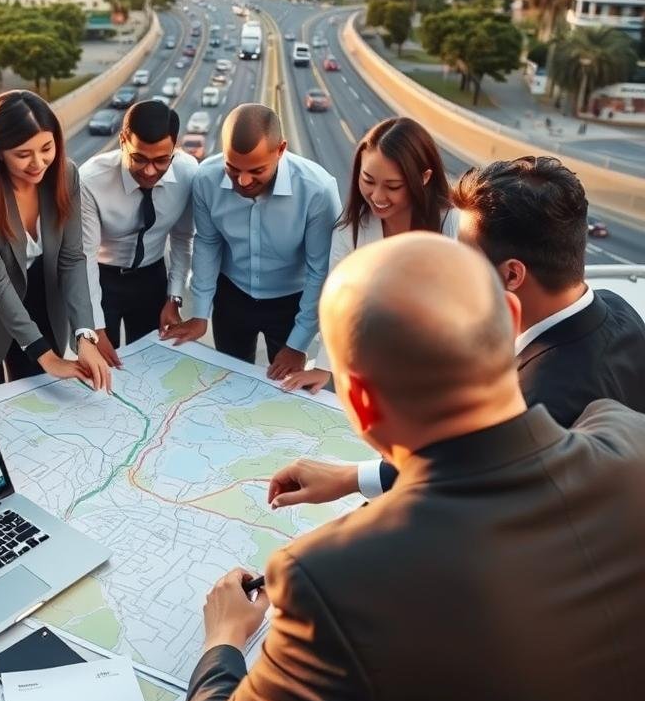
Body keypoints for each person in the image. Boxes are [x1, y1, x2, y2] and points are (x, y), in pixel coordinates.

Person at [176, 234, 645, 701]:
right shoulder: (629, 442)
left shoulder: (334, 583)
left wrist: (222, 641)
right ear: (511, 315)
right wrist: (360, 477)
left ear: (363, 403)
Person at [270, 154, 645, 507]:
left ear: (512, 274)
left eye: (465, 256)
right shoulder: (619, 309)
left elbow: (467, 476)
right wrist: (354, 477)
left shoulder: (530, 411)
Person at [0, 90, 110, 391]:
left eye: (47, 148)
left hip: (43, 301)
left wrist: (85, 335)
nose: (38, 163)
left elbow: (72, 259)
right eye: (23, 154)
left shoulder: (66, 175)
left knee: (40, 406)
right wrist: (46, 357)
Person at [162, 104, 340, 381]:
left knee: (288, 390)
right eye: (232, 169)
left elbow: (321, 271)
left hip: (291, 302)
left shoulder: (318, 190)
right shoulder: (206, 179)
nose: (243, 181)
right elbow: (208, 243)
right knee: (230, 381)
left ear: (280, 150)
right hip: (232, 297)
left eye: (257, 170)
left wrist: (298, 344)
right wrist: (199, 313)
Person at [282, 116, 456, 393]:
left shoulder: (452, 226)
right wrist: (323, 367)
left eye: (393, 186)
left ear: (424, 178)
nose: (377, 196)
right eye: (368, 180)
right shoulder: (349, 231)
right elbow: (339, 303)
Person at [80, 100, 195, 366]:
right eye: (139, 158)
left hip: (151, 277)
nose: (149, 170)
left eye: (161, 160)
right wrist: (94, 328)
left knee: (150, 365)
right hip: (102, 279)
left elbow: (182, 238)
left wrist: (174, 297)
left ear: (175, 148)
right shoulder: (89, 180)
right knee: (101, 367)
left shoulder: (189, 173)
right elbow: (84, 257)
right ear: (123, 141)